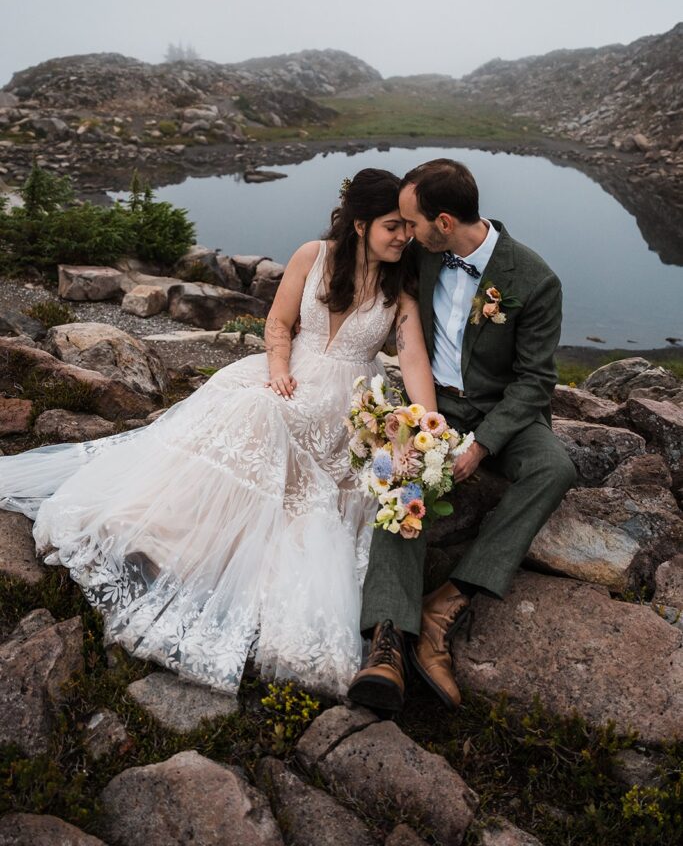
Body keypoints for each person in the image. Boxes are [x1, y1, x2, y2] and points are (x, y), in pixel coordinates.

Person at [0, 168, 439, 699]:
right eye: (393, 226)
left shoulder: (401, 288)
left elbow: (413, 359)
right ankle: (170, 540)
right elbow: (277, 324)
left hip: (347, 408)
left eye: (406, 228)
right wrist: (278, 370)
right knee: (254, 411)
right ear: (361, 223)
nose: (403, 236)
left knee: (294, 465)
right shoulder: (313, 256)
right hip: (287, 376)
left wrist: (425, 426)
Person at [348, 158, 576, 713]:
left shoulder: (535, 278)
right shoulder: (421, 257)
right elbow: (363, 258)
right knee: (400, 470)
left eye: (411, 222)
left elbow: (535, 381)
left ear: (443, 222)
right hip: (437, 403)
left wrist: (482, 445)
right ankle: (387, 642)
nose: (404, 232)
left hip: (504, 411)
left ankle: (446, 604)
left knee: (556, 468)